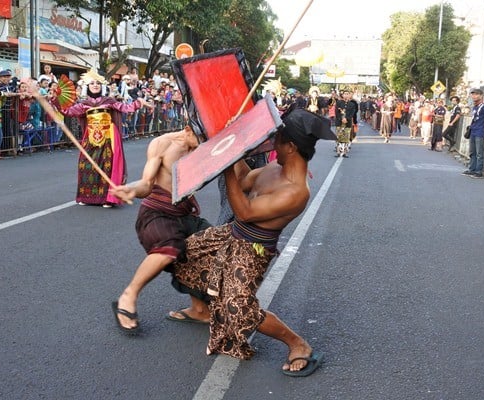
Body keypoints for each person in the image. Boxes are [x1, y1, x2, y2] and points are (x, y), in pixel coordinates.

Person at [170, 107, 334, 377]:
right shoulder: (275, 167)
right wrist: (236, 144)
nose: (272, 145)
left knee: (239, 308)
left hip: (251, 251)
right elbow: (245, 180)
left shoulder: (296, 191)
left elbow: (245, 210)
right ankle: (202, 309)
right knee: (181, 252)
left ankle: (298, 344)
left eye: (277, 140)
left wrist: (225, 163)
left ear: (291, 146)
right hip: (231, 233)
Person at [110, 124, 212, 333]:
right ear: (188, 129)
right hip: (157, 212)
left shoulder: (208, 146)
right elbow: (147, 183)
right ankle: (128, 296)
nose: (205, 143)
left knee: (210, 248)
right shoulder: (162, 144)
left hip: (185, 212)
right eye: (202, 137)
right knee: (170, 247)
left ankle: (200, 309)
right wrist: (130, 189)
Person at [52, 68, 150, 207]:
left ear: (102, 86)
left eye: (98, 83)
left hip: (107, 138)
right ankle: (88, 197)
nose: (95, 85)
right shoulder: (84, 104)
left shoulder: (109, 101)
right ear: (88, 86)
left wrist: (139, 103)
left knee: (106, 167)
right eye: (92, 83)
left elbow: (125, 108)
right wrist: (56, 100)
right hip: (90, 138)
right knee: (86, 165)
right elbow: (68, 111)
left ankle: (107, 198)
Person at [461, 88, 484, 179]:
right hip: (473, 131)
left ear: (481, 96)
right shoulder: (475, 107)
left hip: (480, 131)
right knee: (472, 152)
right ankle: (472, 169)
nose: (474, 96)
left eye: (476, 94)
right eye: (472, 94)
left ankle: (479, 171)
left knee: (479, 153)